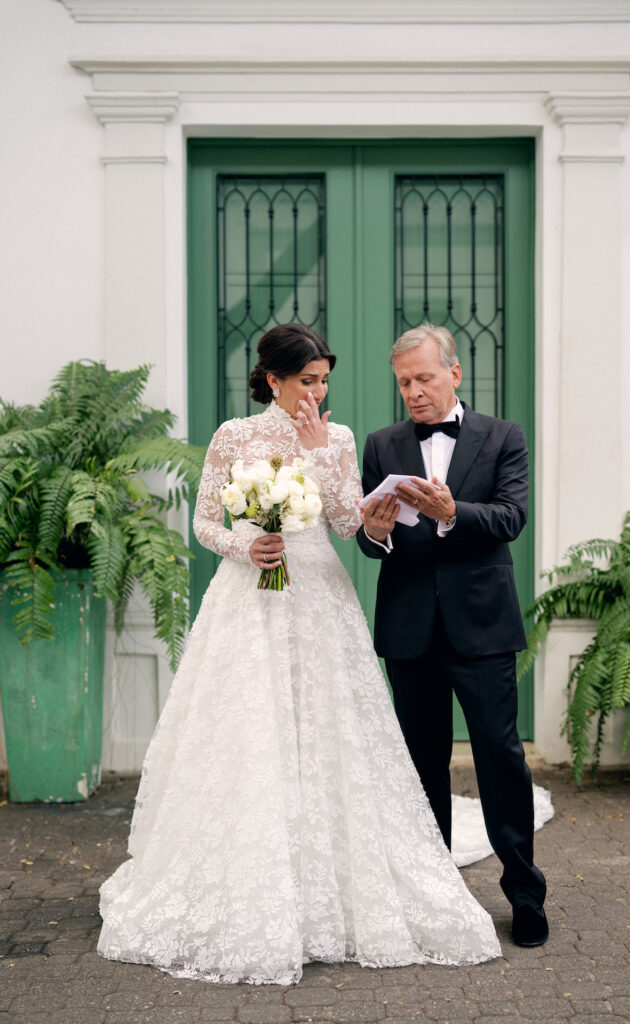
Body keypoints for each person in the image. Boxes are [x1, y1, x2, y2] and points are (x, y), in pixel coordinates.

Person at [97, 323, 501, 986]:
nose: (316, 393)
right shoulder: (235, 436)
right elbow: (204, 522)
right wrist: (242, 546)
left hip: (316, 592)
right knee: (250, 728)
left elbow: (348, 523)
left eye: (323, 382)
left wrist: (326, 460)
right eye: (306, 381)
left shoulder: (337, 437)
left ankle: (331, 885)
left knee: (325, 729)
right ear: (274, 380)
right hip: (250, 596)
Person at [356, 323, 548, 948]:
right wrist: (377, 531)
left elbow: (511, 518)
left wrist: (451, 513)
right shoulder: (382, 444)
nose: (412, 392)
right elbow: (368, 537)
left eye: (423, 379)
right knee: (420, 767)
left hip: (484, 628)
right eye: (404, 382)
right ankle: (435, 898)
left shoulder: (503, 437)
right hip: (411, 631)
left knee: (500, 758)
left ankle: (524, 893)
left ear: (454, 374)